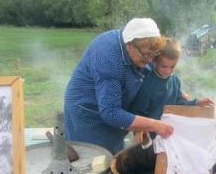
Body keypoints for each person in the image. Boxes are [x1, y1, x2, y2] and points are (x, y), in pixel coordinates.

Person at [64, 18, 174, 155]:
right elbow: (110, 112)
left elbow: (154, 77)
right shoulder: (107, 55)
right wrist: (153, 125)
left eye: (154, 55)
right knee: (91, 160)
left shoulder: (142, 50)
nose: (150, 60)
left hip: (114, 109)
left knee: (112, 156)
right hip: (88, 114)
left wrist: (180, 92)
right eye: (146, 55)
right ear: (129, 45)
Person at [129, 37, 214, 144]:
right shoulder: (148, 85)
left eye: (172, 67)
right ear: (155, 61)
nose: (168, 71)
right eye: (164, 66)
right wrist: (139, 129)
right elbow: (137, 111)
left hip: (168, 131)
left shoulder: (175, 80)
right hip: (150, 134)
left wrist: (197, 102)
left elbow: (179, 102)